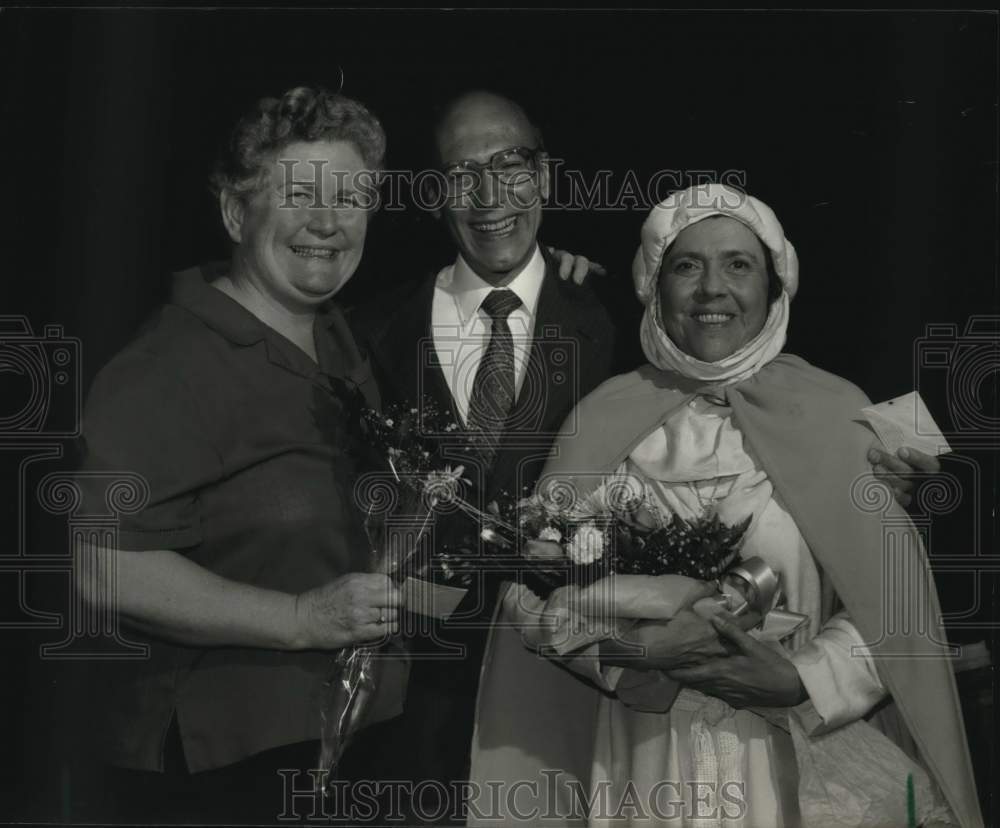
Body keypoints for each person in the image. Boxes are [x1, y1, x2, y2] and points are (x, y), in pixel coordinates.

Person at [468, 185, 981, 827]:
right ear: (655, 288)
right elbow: (534, 591)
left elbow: (898, 607)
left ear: (774, 286)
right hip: (644, 769)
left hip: (798, 770)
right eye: (687, 266)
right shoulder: (601, 419)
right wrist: (637, 657)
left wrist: (806, 679)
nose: (712, 288)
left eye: (738, 264)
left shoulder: (840, 415)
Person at [74, 86, 409, 824]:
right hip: (221, 775)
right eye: (299, 195)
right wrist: (299, 616)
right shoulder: (165, 367)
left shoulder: (343, 343)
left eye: (351, 197)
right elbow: (103, 567)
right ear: (234, 212)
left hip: (346, 750)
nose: (328, 222)